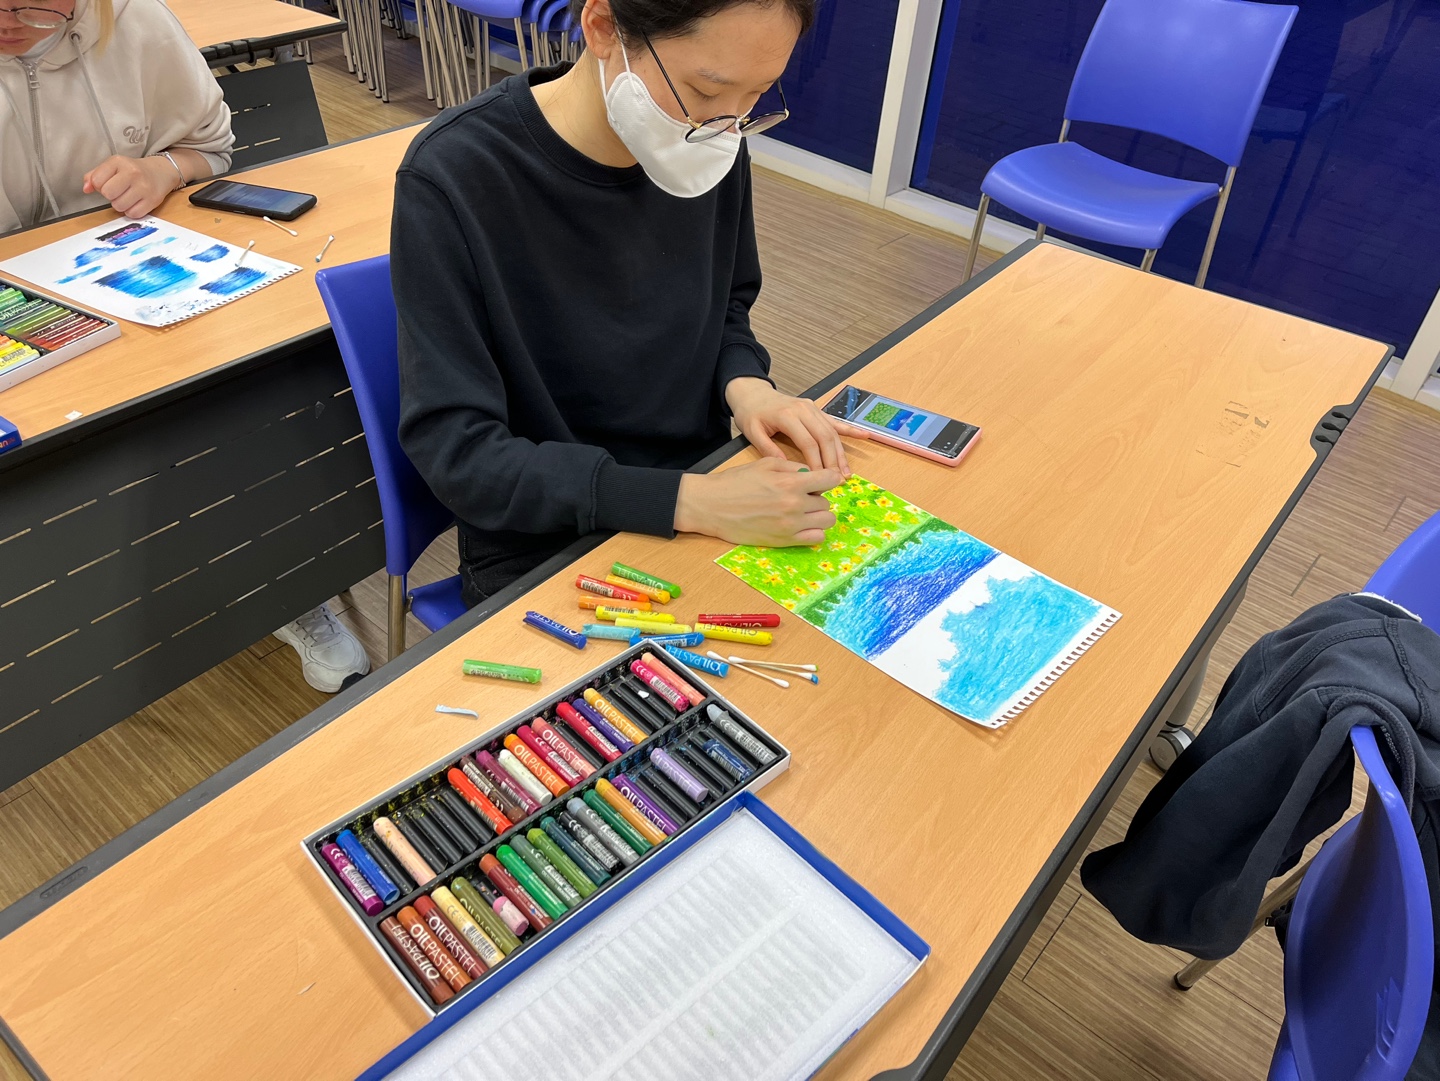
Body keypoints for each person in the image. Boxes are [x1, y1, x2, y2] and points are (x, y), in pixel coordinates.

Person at [394, 0, 866, 609]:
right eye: (705, 90)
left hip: (709, 484)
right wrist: (688, 502)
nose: (728, 123)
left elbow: (726, 304)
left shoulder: (712, 138)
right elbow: (460, 454)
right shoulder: (457, 173)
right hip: (551, 541)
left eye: (758, 94)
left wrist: (748, 385)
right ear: (601, 27)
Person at [1, 0, 368, 691]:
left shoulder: (135, 23)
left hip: (142, 279)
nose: (10, 20)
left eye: (32, 4)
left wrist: (162, 169)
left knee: (246, 398)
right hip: (22, 316)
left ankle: (287, 580)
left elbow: (211, 147)